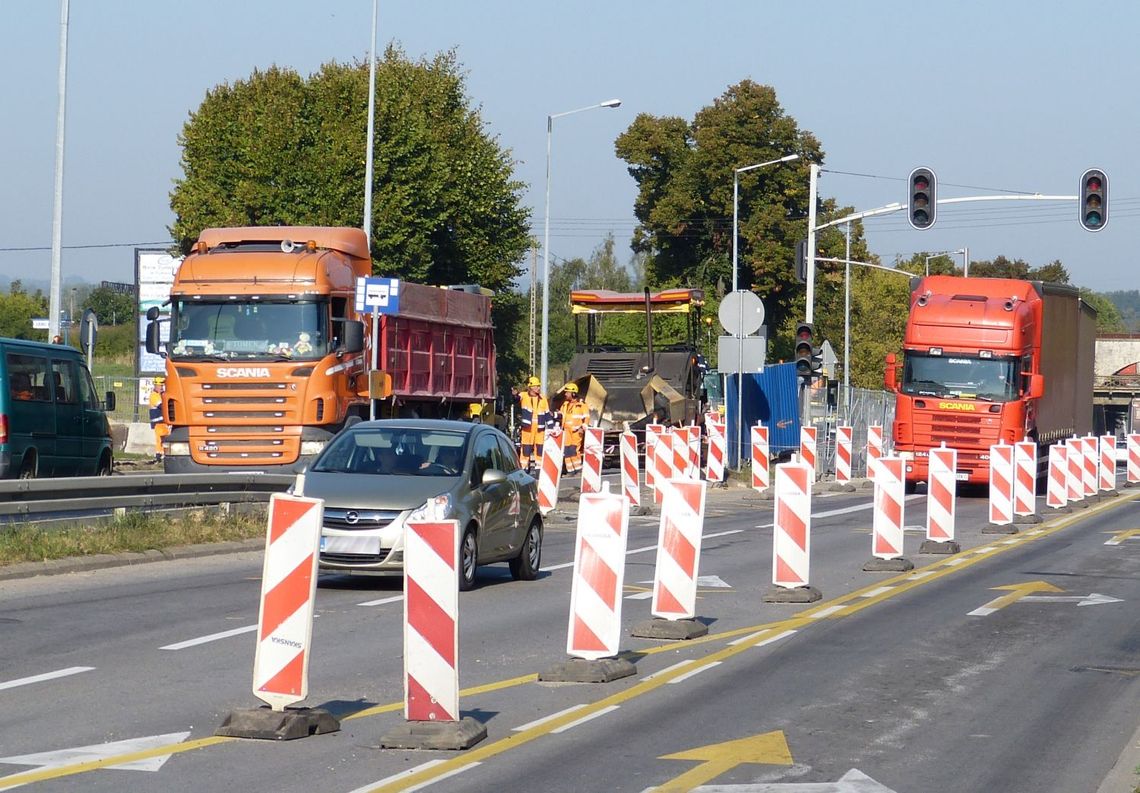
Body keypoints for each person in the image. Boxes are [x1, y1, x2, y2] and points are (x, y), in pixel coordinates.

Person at [513, 376, 553, 474]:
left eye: (538, 386)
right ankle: (524, 469)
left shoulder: (543, 398)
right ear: (530, 387)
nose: (538, 388)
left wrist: (552, 427)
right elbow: (516, 399)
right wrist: (514, 395)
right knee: (526, 449)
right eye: (536, 386)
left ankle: (539, 469)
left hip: (540, 429)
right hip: (528, 428)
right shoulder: (524, 395)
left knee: (539, 449)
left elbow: (547, 413)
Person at [556, 382, 591, 475]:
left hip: (576, 431)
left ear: (573, 393)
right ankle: (570, 470)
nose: (565, 394)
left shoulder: (581, 405)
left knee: (574, 450)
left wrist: (583, 428)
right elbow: (561, 415)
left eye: (567, 392)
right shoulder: (565, 404)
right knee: (567, 451)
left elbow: (586, 417)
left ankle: (578, 469)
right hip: (566, 431)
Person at [149, 376, 169, 462]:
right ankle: (159, 455)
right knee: (161, 439)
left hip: (163, 422)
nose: (161, 387)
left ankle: (163, 454)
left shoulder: (161, 395)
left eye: (162, 385)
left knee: (165, 438)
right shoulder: (154, 396)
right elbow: (162, 406)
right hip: (158, 422)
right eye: (159, 385)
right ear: (155, 386)